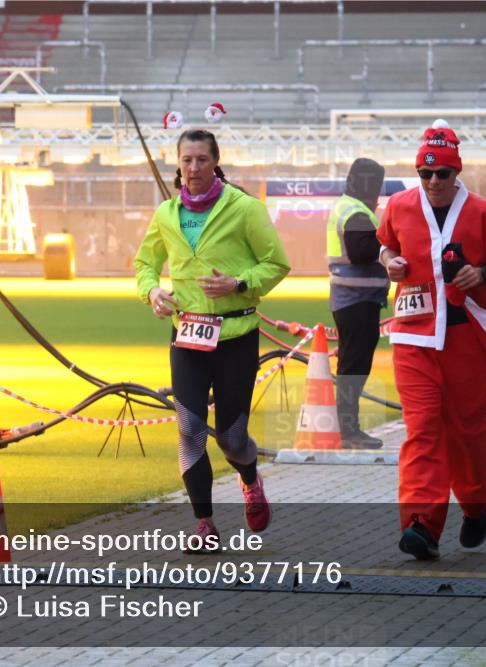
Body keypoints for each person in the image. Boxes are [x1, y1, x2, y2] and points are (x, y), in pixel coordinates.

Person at [135, 128, 291, 547]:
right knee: (189, 430)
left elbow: (276, 264)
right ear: (178, 164)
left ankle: (250, 478)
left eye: (202, 159)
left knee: (231, 438)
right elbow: (144, 263)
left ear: (215, 162)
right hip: (187, 335)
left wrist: (238, 283)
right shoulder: (166, 214)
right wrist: (152, 292)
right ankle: (204, 524)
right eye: (186, 160)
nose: (194, 168)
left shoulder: (244, 208)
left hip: (236, 335)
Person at [376, 120, 486, 561]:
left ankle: (475, 504)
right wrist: (390, 262)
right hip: (412, 336)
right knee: (422, 429)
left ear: (457, 172)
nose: (433, 181)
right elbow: (385, 246)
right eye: (425, 173)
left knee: (466, 430)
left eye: (442, 173)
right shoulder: (399, 206)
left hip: (465, 338)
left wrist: (484, 273)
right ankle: (421, 524)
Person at [327, 158, 389, 449]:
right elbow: (361, 252)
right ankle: (349, 430)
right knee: (354, 366)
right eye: (377, 184)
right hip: (356, 300)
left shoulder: (351, 208)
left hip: (354, 299)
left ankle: (348, 428)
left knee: (352, 365)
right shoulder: (356, 212)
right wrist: (390, 240)